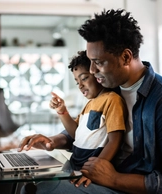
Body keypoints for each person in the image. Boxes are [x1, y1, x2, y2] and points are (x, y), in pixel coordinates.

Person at [18, 8, 162, 194]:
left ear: (125, 57)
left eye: (98, 62)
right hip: (99, 177)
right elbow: (88, 131)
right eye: (90, 61)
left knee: (41, 191)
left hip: (124, 186)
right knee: (24, 183)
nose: (91, 70)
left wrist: (114, 179)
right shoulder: (108, 89)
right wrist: (53, 140)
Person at [48, 50, 127, 187]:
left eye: (84, 78)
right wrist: (62, 111)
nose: (80, 85)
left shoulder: (112, 100)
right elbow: (75, 134)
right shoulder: (90, 103)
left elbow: (115, 140)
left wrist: (95, 170)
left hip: (88, 171)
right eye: (77, 81)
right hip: (74, 165)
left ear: (97, 74)